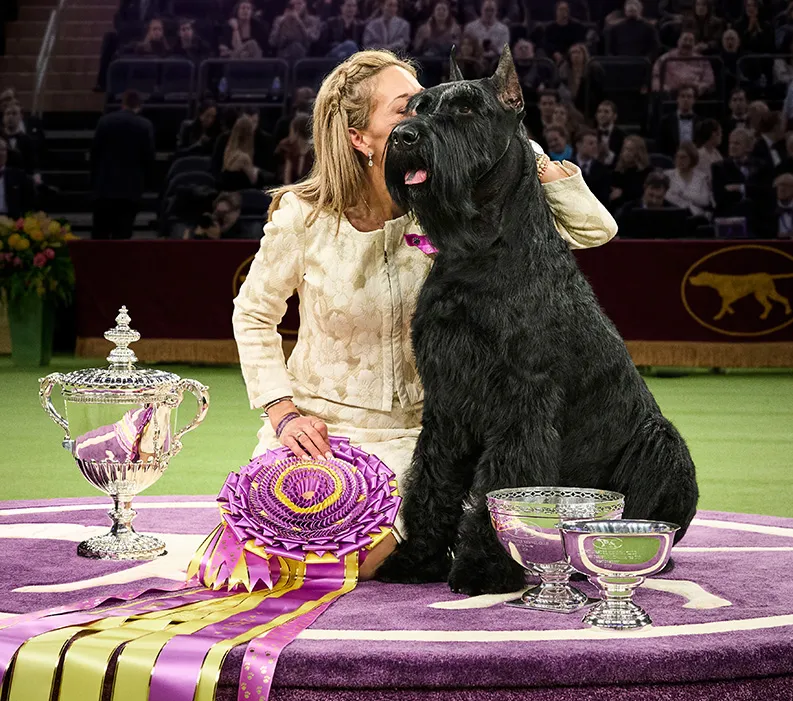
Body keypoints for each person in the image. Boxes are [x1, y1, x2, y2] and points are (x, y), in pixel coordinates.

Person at [231, 50, 618, 577]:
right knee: (279, 545)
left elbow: (593, 231)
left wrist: (526, 153)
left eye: (427, 105)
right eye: (407, 109)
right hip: (318, 428)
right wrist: (283, 412)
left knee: (360, 553)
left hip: (420, 437)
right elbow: (254, 315)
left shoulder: (458, 197)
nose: (426, 120)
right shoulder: (303, 216)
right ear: (358, 137)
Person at [90, 90, 154, 239]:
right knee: (123, 238)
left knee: (100, 236)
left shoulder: (105, 121)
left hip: (104, 188)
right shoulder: (145, 125)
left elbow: (95, 153)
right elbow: (149, 158)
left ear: (122, 103)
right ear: (139, 106)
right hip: (130, 191)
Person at [711, 127, 764, 217]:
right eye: (730, 143)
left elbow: (765, 194)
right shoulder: (718, 167)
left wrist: (740, 188)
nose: (732, 146)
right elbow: (720, 199)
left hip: (757, 218)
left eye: (737, 143)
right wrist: (752, 191)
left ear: (749, 147)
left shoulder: (761, 166)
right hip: (729, 217)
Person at [211, 106, 276, 177]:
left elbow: (271, 171)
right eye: (247, 123)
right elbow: (215, 168)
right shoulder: (224, 139)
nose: (251, 127)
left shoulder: (266, 140)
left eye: (254, 122)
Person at [651, 30, 715, 95]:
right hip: (670, 94)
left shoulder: (702, 60)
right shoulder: (665, 58)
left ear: (694, 44)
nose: (687, 43)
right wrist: (664, 89)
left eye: (691, 41)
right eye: (685, 39)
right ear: (678, 42)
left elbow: (709, 80)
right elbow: (655, 76)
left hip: (695, 94)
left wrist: (701, 86)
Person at [218, 115, 272, 191]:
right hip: (244, 198)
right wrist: (256, 171)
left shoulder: (228, 152)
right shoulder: (243, 158)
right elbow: (254, 181)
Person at [664, 141, 712, 217]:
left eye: (683, 157)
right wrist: (693, 200)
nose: (680, 160)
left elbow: (705, 201)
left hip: (695, 216)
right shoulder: (667, 175)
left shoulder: (701, 177)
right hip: (674, 214)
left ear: (692, 158)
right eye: (678, 157)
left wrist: (683, 194)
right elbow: (666, 197)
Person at [558, 43, 604, 117]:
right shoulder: (564, 70)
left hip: (588, 106)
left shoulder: (592, 69)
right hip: (569, 105)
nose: (576, 55)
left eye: (578, 52)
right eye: (573, 52)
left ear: (584, 54)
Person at [658, 84, 702, 156]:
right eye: (682, 96)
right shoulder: (665, 121)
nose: (685, 99)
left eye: (689, 96)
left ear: (694, 100)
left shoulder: (701, 122)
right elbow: (660, 147)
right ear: (677, 99)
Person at [610, 134, 651, 211]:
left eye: (630, 150)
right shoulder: (616, 170)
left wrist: (622, 193)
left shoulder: (647, 172)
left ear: (639, 152)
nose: (626, 153)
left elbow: (642, 194)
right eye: (625, 149)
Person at [1, 101, 39, 180]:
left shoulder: (28, 140)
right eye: (7, 114)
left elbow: (31, 165)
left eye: (14, 113)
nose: (10, 117)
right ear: (3, 117)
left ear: (21, 116)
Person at [0, 135, 36, 219]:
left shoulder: (19, 176)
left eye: (3, 150)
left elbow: (28, 205)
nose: (1, 153)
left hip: (11, 221)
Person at [574, 128, 611, 205]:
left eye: (596, 143)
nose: (595, 147)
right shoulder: (566, 166)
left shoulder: (602, 170)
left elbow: (603, 198)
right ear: (579, 145)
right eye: (591, 143)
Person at [276, 113, 314, 184]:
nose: (289, 134)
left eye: (291, 130)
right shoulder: (291, 152)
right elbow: (287, 180)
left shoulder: (314, 154)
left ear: (297, 132)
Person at [755, 172, 793, 238]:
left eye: (786, 185)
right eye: (778, 186)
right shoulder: (764, 210)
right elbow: (761, 233)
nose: (782, 189)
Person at [594, 99, 625, 166]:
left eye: (606, 112)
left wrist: (608, 153)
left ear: (615, 116)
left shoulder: (622, 136)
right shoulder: (590, 134)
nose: (602, 115)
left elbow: (622, 160)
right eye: (599, 111)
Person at [695, 118, 723, 184]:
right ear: (713, 134)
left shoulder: (717, 154)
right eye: (720, 132)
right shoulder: (699, 155)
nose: (721, 135)